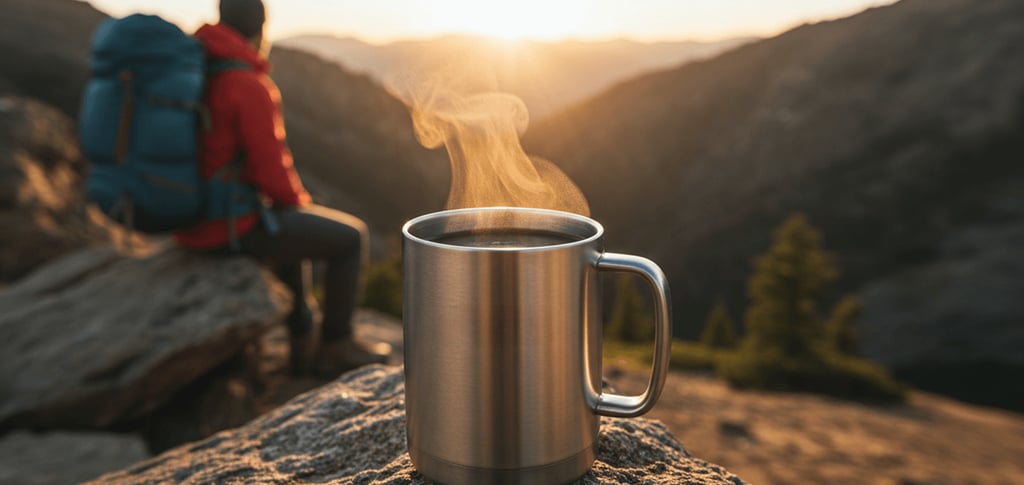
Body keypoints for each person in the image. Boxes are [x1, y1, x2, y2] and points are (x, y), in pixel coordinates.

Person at [174, 0, 389, 377]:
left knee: (287, 225)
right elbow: (272, 175)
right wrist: (298, 203)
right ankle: (334, 346)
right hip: (226, 228)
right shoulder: (247, 84)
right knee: (349, 238)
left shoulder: (196, 68)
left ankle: (302, 337)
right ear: (261, 31)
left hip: (189, 218)